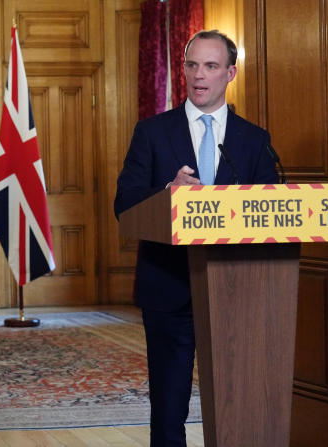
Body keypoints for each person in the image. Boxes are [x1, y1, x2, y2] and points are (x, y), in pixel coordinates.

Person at [114, 30, 278, 447]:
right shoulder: (152, 132)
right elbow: (125, 204)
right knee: (169, 406)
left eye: (210, 66)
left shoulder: (254, 140)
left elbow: (272, 214)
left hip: (238, 292)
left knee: (238, 400)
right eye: (191, 65)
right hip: (169, 287)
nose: (198, 76)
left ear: (230, 73)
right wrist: (167, 193)